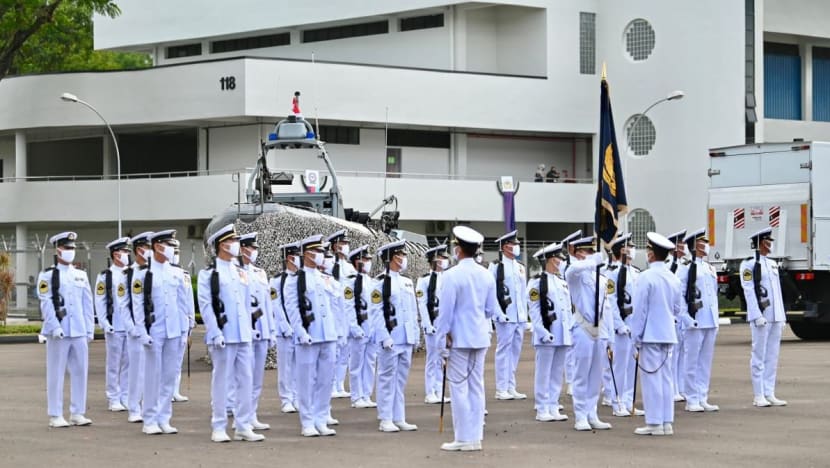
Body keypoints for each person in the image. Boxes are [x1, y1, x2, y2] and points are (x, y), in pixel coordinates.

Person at [198, 225, 264, 442]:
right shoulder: (209, 274)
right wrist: (215, 332)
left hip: (243, 335)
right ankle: (218, 426)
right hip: (223, 336)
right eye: (233, 240)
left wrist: (251, 329)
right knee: (222, 381)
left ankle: (243, 425)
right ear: (222, 245)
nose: (237, 244)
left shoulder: (241, 272)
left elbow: (246, 305)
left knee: (246, 380)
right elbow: (207, 306)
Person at [435, 226, 496, 451]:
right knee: (476, 387)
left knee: (459, 388)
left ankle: (463, 437)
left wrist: (442, 341)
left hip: (459, 339)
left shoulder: (451, 275)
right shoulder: (486, 273)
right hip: (480, 336)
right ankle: (476, 435)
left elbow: (445, 313)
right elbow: (490, 310)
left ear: (458, 250)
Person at [132, 229, 192, 436]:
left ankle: (164, 417)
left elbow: (183, 304)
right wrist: (142, 332)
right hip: (154, 331)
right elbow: (138, 306)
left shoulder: (177, 273)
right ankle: (149, 418)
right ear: (157, 246)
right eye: (168, 245)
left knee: (169, 376)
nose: (171, 249)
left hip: (175, 331)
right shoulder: (142, 274)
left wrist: (186, 330)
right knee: (152, 377)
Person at [283, 234, 339, 437]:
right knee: (306, 380)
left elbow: (336, 307)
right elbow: (292, 308)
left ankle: (321, 419)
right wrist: (300, 331)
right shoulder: (295, 280)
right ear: (306, 254)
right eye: (316, 252)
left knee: (326, 380)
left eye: (322, 252)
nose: (320, 256)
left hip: (328, 334)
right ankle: (307, 421)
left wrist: (338, 333)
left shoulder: (327, 279)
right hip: (309, 335)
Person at [38, 231, 94, 428]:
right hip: (59, 332)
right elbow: (46, 303)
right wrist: (54, 327)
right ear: (57, 249)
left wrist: (89, 329)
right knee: (56, 372)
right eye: (66, 248)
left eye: (72, 248)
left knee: (80, 372)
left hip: (78, 330)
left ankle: (78, 412)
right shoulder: (47, 275)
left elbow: (88, 304)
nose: (70, 251)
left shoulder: (81, 275)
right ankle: (55, 414)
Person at [630, 232, 682, 436]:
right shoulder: (673, 277)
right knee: (666, 379)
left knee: (652, 379)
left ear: (651, 254)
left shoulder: (646, 277)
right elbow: (678, 309)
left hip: (650, 335)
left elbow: (640, 309)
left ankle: (654, 422)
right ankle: (666, 421)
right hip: (668, 333)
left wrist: (636, 335)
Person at [565, 235, 613, 431]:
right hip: (582, 326)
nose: (591, 255)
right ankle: (580, 415)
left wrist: (608, 334)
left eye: (593, 252)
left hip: (599, 327)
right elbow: (574, 269)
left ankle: (592, 412)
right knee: (581, 373)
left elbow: (606, 306)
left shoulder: (600, 277)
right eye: (587, 251)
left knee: (596, 374)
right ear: (578, 253)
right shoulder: (574, 273)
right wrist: (592, 262)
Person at [371, 240, 419, 433]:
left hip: (405, 337)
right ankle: (385, 418)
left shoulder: (407, 282)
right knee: (386, 378)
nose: (403, 258)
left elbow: (412, 312)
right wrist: (384, 336)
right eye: (400, 255)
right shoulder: (379, 283)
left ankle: (399, 416)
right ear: (390, 258)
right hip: (391, 338)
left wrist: (415, 335)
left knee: (400, 379)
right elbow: (376, 312)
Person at [740, 227, 788, 408]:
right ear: (760, 243)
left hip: (775, 316)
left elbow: (777, 293)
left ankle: (770, 392)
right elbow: (749, 291)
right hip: (761, 316)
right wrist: (756, 315)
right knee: (758, 355)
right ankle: (758, 394)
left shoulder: (773, 264)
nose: (771, 244)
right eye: (768, 241)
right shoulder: (749, 265)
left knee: (772, 356)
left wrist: (782, 316)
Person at [528, 242, 573, 422]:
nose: (561, 261)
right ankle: (542, 407)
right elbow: (534, 310)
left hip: (562, 334)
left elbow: (567, 310)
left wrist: (570, 330)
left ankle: (553, 405)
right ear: (551, 260)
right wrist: (542, 331)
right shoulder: (536, 282)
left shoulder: (561, 282)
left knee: (557, 373)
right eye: (559, 258)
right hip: (546, 335)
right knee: (544, 372)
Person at [678, 228, 720, 413]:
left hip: (710, 319)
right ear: (695, 246)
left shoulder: (709, 267)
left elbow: (713, 294)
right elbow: (679, 295)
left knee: (705, 361)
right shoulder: (686, 268)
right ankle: (691, 398)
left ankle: (703, 396)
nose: (706, 245)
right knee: (691, 360)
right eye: (703, 242)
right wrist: (685, 317)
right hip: (695, 320)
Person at [238, 232, 277, 430]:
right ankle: (240, 414)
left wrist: (271, 330)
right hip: (244, 332)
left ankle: (252, 414)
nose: (254, 252)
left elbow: (267, 304)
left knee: (256, 377)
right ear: (242, 248)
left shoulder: (260, 273)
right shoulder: (235, 271)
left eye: (255, 248)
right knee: (242, 377)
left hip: (261, 330)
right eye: (251, 248)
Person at [602, 233, 643, 417]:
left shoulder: (635, 272)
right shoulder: (612, 273)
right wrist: (619, 325)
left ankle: (628, 401)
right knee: (619, 366)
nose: (632, 249)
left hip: (634, 325)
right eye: (629, 246)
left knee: (631, 366)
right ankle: (617, 401)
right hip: (622, 327)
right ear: (621, 250)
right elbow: (610, 301)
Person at [94, 236, 132, 413]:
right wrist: (104, 322)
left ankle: (125, 395)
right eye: (124, 252)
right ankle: (113, 397)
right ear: (116, 254)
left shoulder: (132, 273)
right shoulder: (105, 276)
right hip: (114, 325)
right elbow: (100, 301)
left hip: (130, 326)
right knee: (114, 364)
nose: (127, 255)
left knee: (128, 363)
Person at [489, 230, 528, 400]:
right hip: (505, 314)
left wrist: (525, 317)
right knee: (503, 351)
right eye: (514, 244)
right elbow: (491, 292)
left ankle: (511, 386)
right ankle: (501, 388)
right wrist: (498, 313)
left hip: (519, 316)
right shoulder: (496, 266)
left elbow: (522, 294)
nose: (517, 247)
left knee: (515, 351)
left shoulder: (520, 267)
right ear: (506, 246)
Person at [120, 231, 153, 423]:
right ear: (139, 249)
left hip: (155, 329)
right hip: (135, 330)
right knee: (137, 371)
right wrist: (132, 328)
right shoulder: (128, 274)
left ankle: (150, 406)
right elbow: (123, 304)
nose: (150, 251)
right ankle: (134, 407)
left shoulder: (155, 271)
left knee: (153, 370)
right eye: (147, 247)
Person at [344, 245, 378, 409]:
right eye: (365, 259)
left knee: (370, 362)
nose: (368, 262)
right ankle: (356, 396)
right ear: (357, 261)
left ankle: (366, 393)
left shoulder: (371, 281)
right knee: (356, 364)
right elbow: (348, 306)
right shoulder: (349, 282)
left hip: (371, 327)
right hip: (359, 325)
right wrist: (354, 327)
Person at [417, 244, 451, 404]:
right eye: (442, 257)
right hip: (432, 321)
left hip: (444, 322)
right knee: (432, 359)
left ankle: (439, 389)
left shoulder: (448, 278)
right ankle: (430, 391)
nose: (445, 260)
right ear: (435, 260)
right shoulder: (423, 280)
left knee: (442, 358)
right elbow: (422, 304)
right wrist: (427, 324)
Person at [270, 241, 300, 414]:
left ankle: (296, 397)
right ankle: (286, 399)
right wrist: (285, 326)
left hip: (300, 330)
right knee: (286, 367)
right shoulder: (277, 280)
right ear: (289, 258)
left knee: (298, 366)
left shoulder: (300, 279)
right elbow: (276, 305)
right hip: (285, 331)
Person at [327, 230, 354, 398]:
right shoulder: (328, 263)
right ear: (334, 245)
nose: (345, 246)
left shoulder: (350, 266)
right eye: (342, 243)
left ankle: (339, 384)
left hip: (347, 311)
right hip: (332, 311)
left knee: (345, 351)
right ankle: (330, 384)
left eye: (346, 243)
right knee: (333, 351)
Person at [170, 239, 195, 404]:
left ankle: (175, 390)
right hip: (168, 324)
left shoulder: (184, 275)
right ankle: (165, 391)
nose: (176, 256)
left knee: (178, 359)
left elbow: (189, 301)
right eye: (173, 252)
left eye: (178, 252)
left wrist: (191, 323)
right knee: (166, 360)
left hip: (182, 324)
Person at [665, 229, 688, 402]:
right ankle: (672, 388)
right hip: (673, 316)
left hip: (683, 315)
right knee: (672, 355)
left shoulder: (685, 265)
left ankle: (680, 387)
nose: (684, 246)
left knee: (682, 355)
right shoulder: (668, 266)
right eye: (680, 243)